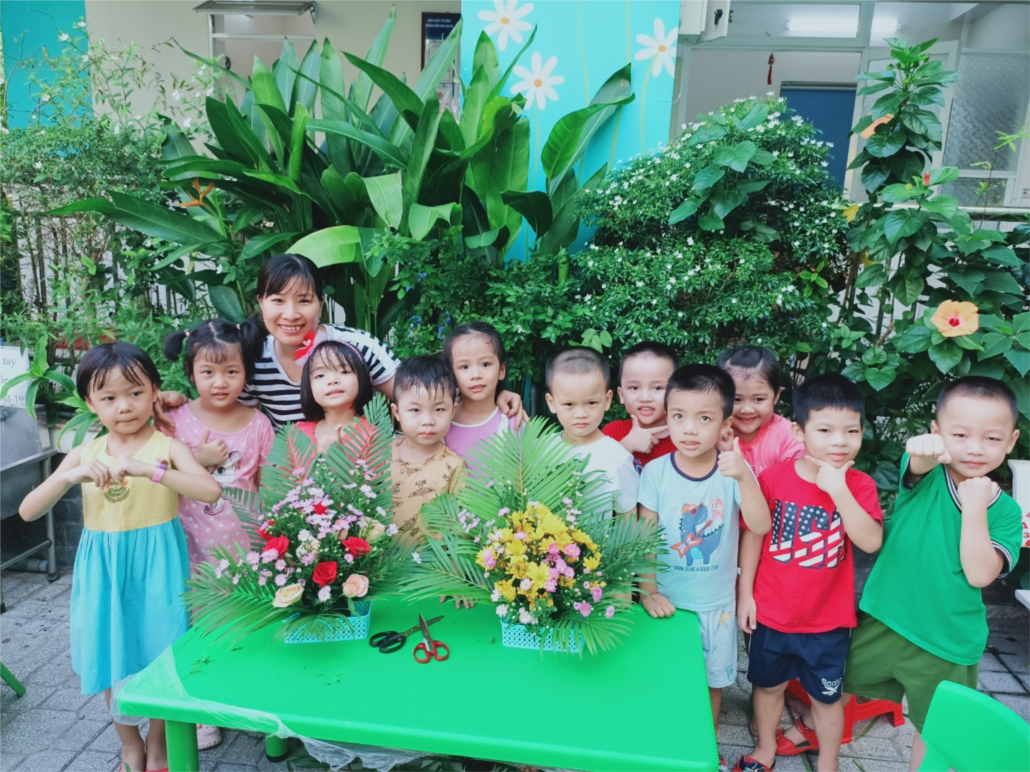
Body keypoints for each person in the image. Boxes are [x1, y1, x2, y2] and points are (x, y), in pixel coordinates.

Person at [19, 342, 221, 772]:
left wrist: (151, 470)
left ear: (154, 391)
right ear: (90, 403)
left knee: (163, 655)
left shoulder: (167, 447)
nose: (124, 406)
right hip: (104, 571)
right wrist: (69, 476)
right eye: (108, 397)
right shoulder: (85, 454)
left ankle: (159, 746)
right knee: (110, 654)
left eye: (134, 393)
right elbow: (28, 511)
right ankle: (130, 745)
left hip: (160, 567)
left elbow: (210, 491)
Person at [844, 376, 1022, 772]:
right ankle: (812, 733)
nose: (975, 448)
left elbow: (980, 574)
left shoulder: (1007, 512)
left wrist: (975, 507)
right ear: (937, 432)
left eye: (992, 438)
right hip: (885, 618)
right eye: (960, 434)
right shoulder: (926, 476)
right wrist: (922, 449)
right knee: (834, 683)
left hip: (947, 640)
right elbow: (918, 460)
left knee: (936, 729)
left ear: (1011, 441)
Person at [161, 255, 524, 430]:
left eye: (304, 300)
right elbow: (225, 410)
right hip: (294, 478)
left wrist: (490, 399)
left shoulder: (357, 347)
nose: (291, 313)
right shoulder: (252, 357)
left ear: (320, 303)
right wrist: (178, 403)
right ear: (260, 302)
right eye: (278, 300)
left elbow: (419, 395)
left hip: (362, 469)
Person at [736, 374, 884, 772]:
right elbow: (754, 535)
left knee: (827, 697)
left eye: (851, 431)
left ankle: (829, 762)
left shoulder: (859, 485)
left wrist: (838, 489)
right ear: (799, 431)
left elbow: (870, 541)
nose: (840, 441)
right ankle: (766, 747)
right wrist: (745, 595)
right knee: (768, 687)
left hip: (827, 621)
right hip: (771, 613)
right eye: (825, 430)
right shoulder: (774, 478)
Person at [637, 364, 771, 766]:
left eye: (704, 419)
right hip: (668, 603)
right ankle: (663, 744)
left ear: (725, 424)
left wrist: (744, 477)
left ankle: (705, 745)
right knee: (664, 677)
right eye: (679, 416)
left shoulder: (732, 472)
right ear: (667, 417)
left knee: (712, 683)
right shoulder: (656, 473)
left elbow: (759, 525)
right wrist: (648, 592)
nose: (689, 429)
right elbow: (644, 537)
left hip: (716, 606)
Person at [162, 319, 275, 751]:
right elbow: (156, 470)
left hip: (242, 547)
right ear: (190, 373)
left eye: (231, 371)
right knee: (193, 628)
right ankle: (198, 711)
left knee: (242, 625)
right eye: (207, 372)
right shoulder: (173, 419)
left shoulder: (258, 424)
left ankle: (241, 697)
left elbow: (267, 485)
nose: (220, 382)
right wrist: (199, 457)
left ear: (246, 371)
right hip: (188, 546)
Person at [544, 347, 637, 516]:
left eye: (591, 403)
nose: (581, 414)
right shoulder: (541, 448)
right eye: (569, 404)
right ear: (551, 402)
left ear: (607, 400)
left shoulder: (618, 458)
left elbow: (627, 521)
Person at [389, 356, 465, 544]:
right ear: (397, 412)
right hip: (375, 561)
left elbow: (459, 528)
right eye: (415, 410)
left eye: (439, 409)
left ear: (453, 410)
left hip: (430, 562)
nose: (428, 420)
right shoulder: (380, 454)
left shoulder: (454, 467)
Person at [717, 345, 804, 477]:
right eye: (736, 399)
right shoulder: (711, 433)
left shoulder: (790, 439)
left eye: (758, 399)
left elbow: (795, 484)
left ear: (776, 396)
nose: (747, 410)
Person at [443, 321, 514, 466]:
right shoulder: (440, 422)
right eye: (464, 367)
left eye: (485, 364)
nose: (476, 375)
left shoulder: (513, 423)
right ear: (451, 373)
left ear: (501, 370)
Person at [601, 341, 679, 471]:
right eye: (634, 387)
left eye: (657, 388)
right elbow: (594, 477)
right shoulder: (613, 433)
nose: (645, 398)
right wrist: (626, 447)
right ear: (621, 394)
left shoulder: (685, 438)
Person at [294, 340, 375, 455]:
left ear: (365, 379)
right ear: (308, 386)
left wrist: (337, 459)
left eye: (344, 371)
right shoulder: (297, 434)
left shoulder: (373, 436)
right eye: (320, 375)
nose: (332, 380)